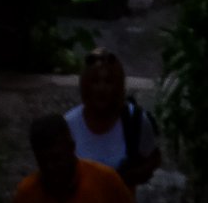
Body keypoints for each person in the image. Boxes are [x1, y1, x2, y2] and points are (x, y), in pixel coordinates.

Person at [10, 110, 142, 203]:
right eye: (43, 162)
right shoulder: (26, 195)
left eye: (57, 159)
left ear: (71, 148)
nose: (51, 167)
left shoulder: (107, 183)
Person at [69, 47, 163, 190]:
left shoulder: (135, 120)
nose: (102, 88)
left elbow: (152, 159)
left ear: (118, 86)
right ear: (86, 86)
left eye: (108, 82)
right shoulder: (69, 123)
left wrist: (125, 178)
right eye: (95, 81)